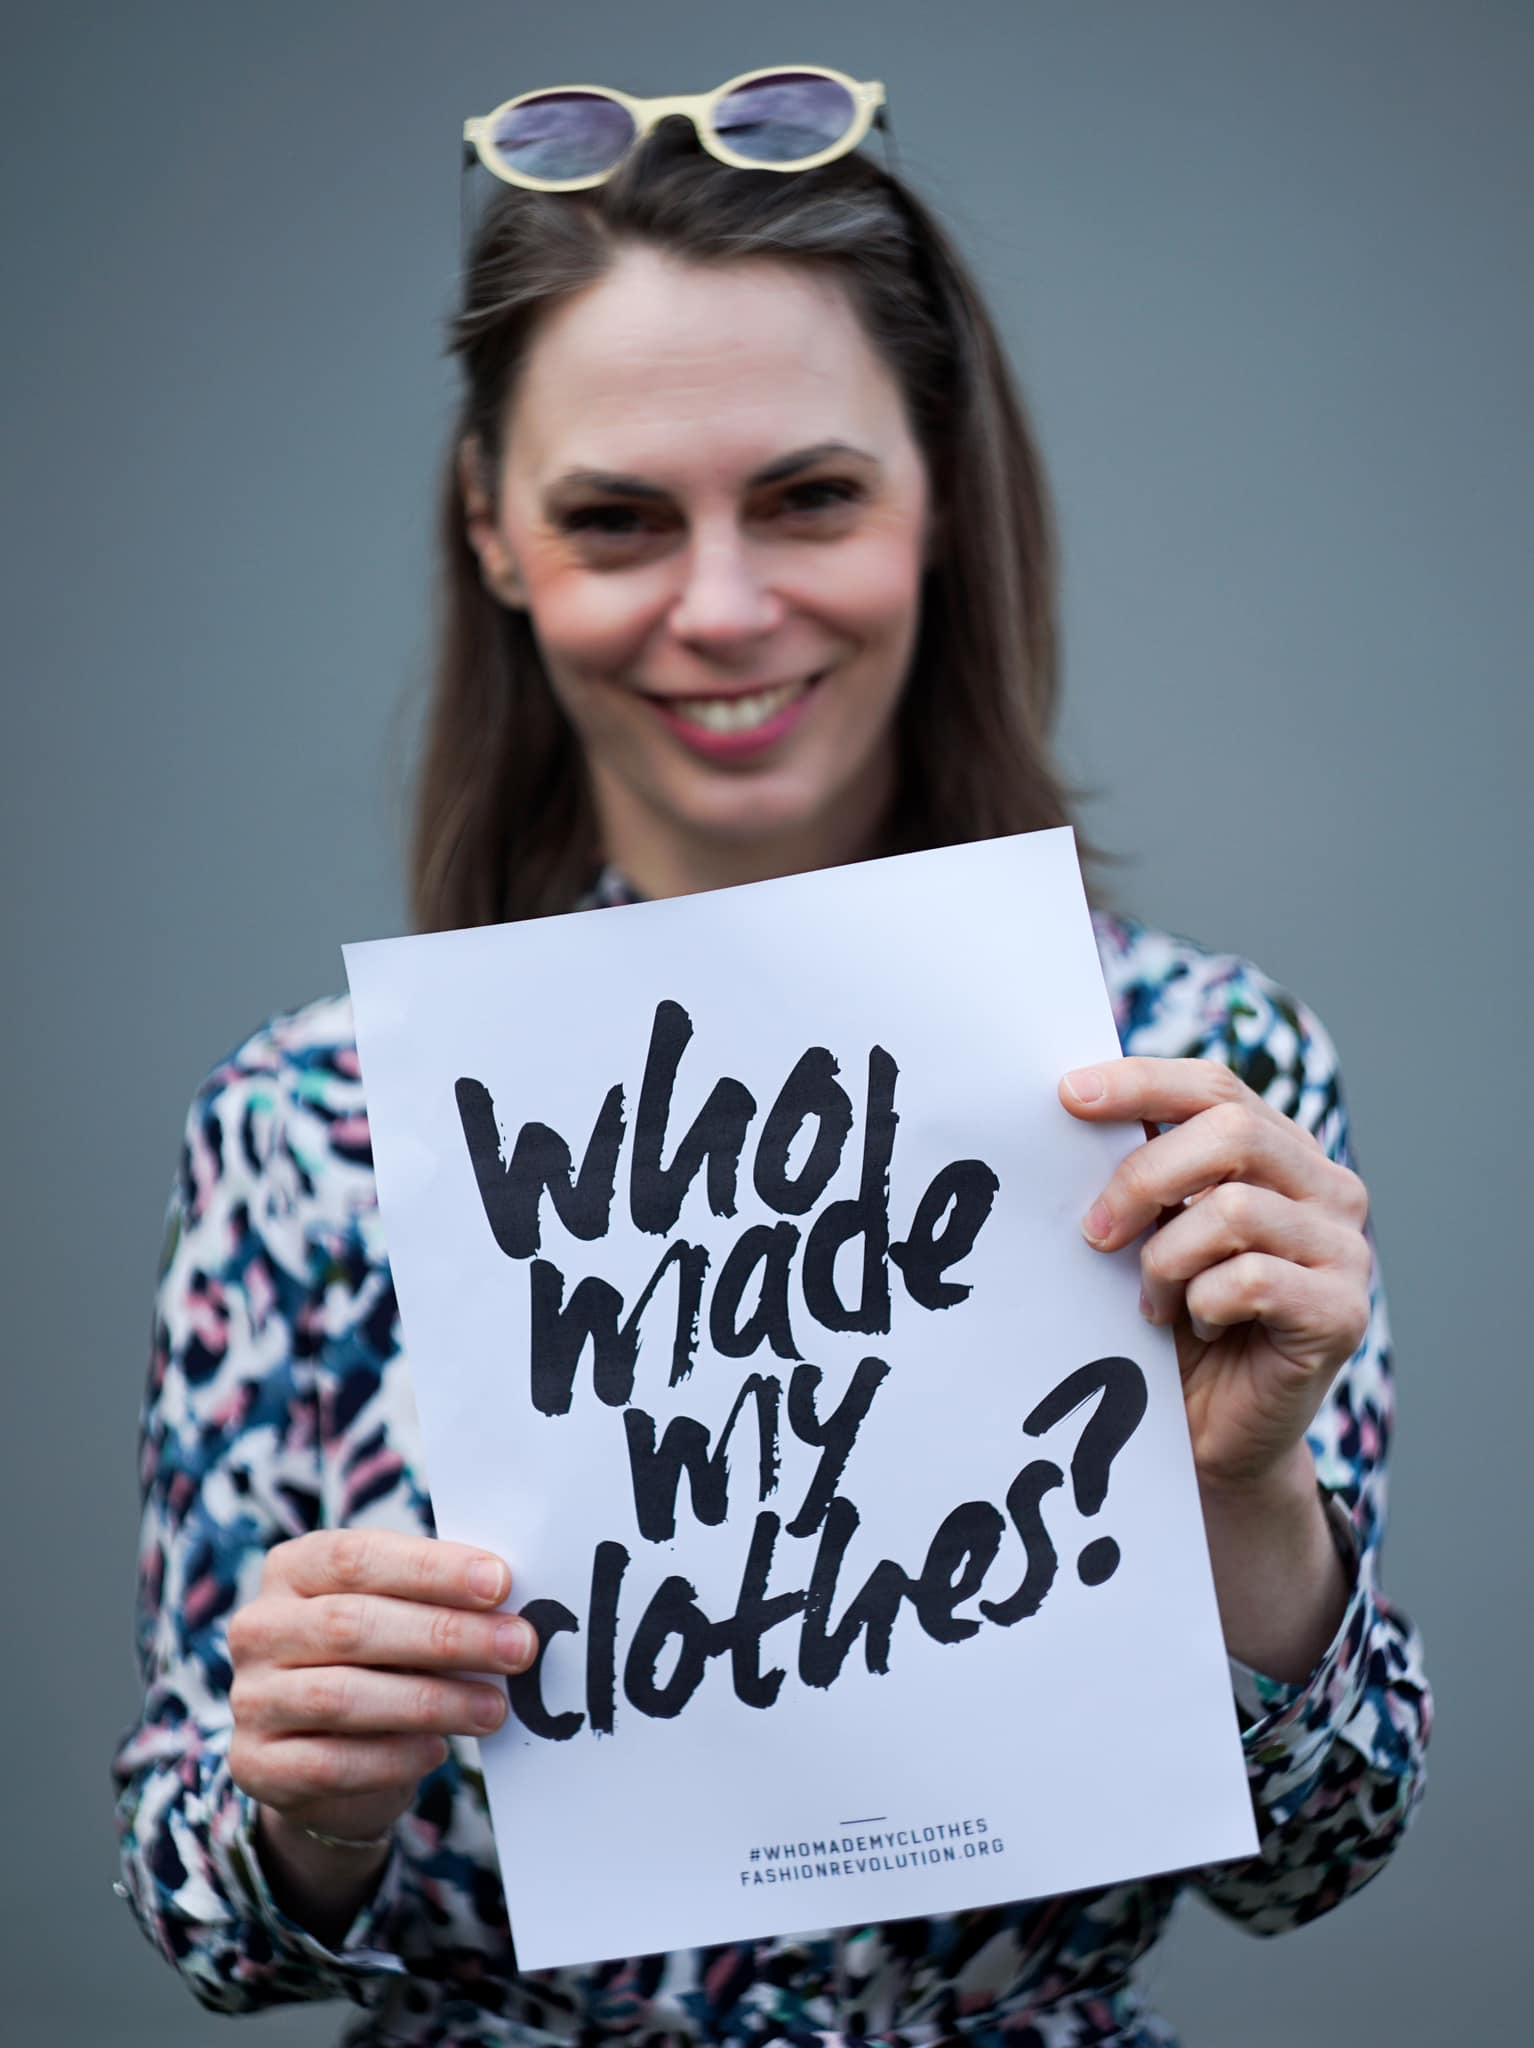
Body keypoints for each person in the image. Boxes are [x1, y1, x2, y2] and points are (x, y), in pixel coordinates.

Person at [112, 67, 1431, 2048]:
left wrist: (1243, 1503)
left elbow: (1312, 1859)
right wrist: (304, 1799)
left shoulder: (1199, 1080)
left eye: (809, 496)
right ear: (491, 532)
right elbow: (206, 1921)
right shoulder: (310, 1128)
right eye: (616, 519)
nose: (720, 610)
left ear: (937, 493)